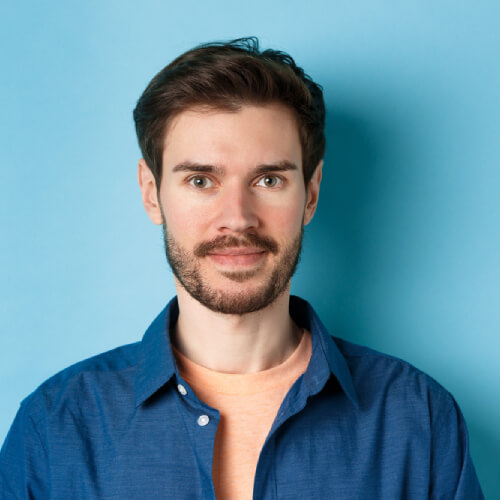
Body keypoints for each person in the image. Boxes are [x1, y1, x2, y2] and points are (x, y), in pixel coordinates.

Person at [0, 37, 483, 500]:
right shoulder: (55, 427)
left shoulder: (418, 418)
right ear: (151, 193)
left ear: (311, 194)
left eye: (269, 180)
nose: (237, 218)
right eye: (201, 180)